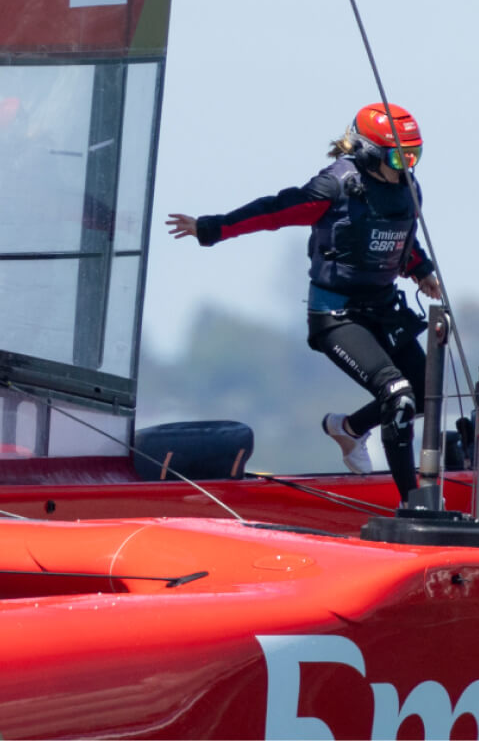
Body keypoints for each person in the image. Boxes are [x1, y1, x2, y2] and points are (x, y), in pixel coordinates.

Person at [166, 103, 441, 499]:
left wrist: (421, 270)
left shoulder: (407, 189)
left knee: (424, 392)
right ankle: (414, 504)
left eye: (414, 156)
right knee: (398, 396)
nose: (407, 166)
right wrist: (212, 227)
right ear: (368, 151)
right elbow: (275, 211)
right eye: (399, 156)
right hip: (338, 315)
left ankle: (348, 429)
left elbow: (398, 237)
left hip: (383, 309)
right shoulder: (336, 186)